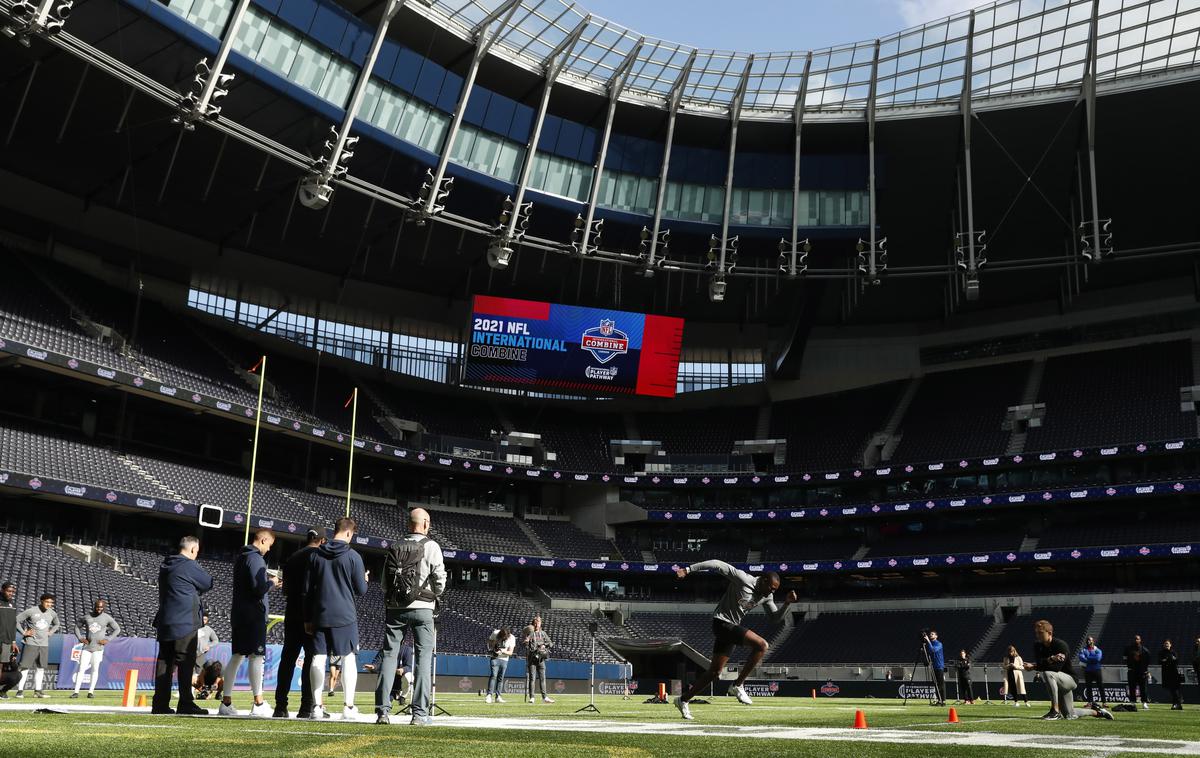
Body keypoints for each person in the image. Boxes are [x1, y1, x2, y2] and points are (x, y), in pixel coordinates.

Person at [671, 560, 795, 720]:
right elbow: (716, 564)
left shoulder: (767, 596)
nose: (771, 592)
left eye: (775, 590)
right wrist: (688, 569)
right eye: (771, 588)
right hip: (721, 623)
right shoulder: (743, 579)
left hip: (731, 628)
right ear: (764, 580)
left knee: (715, 672)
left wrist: (786, 604)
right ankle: (737, 685)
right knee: (762, 645)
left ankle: (682, 700)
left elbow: (774, 618)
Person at [374, 507, 446, 726]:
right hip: (423, 607)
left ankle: (383, 712)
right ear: (425, 523)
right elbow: (440, 583)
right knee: (423, 657)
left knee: (388, 656)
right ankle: (419, 714)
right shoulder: (432, 546)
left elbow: (385, 583)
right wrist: (433, 593)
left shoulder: (394, 546)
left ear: (408, 524)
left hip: (395, 608)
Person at [306, 517, 369, 721]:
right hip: (345, 615)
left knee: (318, 658)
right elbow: (361, 589)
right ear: (349, 533)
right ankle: (348, 706)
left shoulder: (315, 555)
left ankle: (316, 707)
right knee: (348, 658)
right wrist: (365, 579)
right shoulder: (353, 556)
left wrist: (308, 618)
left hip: (319, 613)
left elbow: (307, 590)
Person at [218, 529, 280, 717]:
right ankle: (259, 703)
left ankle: (226, 702)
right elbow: (258, 589)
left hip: (239, 614)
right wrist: (272, 583)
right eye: (269, 545)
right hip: (253, 615)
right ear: (262, 540)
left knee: (237, 656)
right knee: (256, 657)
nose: (269, 549)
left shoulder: (242, 557)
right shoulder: (255, 559)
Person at [151, 535, 214, 715]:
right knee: (186, 663)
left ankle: (160, 704)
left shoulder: (166, 564)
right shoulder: (189, 565)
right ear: (193, 550)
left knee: (165, 663)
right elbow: (208, 583)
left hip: (165, 621)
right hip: (184, 622)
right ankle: (185, 702)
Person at [274, 529, 324, 719]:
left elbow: (285, 589)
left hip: (292, 611)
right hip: (310, 612)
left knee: (287, 659)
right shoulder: (319, 556)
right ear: (322, 540)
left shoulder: (293, 557)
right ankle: (306, 707)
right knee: (310, 660)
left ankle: (280, 706)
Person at [1023, 619, 1112, 721]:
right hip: (1057, 680)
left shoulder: (1061, 645)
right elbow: (1040, 663)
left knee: (1048, 673)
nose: (1037, 635)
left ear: (1050, 633)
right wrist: (1049, 660)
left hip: (1069, 679)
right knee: (1070, 714)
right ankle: (1097, 712)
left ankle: (1055, 710)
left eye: (1040, 633)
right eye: (1036, 633)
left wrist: (1036, 666)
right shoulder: (1037, 645)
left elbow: (1056, 668)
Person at [71, 599, 122, 698]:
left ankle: (91, 692)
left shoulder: (107, 617)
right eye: (98, 607)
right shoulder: (87, 616)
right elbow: (77, 627)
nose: (99, 609)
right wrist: (80, 638)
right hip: (86, 647)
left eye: (101, 607)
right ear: (94, 606)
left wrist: (108, 639)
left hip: (98, 648)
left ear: (104, 607)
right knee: (81, 669)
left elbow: (117, 629)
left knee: (95, 670)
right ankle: (76, 692)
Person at [15, 592, 59, 698]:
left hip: (44, 644)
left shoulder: (52, 613)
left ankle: (38, 691)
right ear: (41, 601)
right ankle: (20, 691)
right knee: (25, 667)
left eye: (51, 602)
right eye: (47, 602)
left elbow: (57, 624)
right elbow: (16, 620)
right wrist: (23, 632)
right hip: (31, 643)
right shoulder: (31, 611)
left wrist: (51, 632)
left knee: (41, 668)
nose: (49, 604)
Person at [524, 615, 555, 705]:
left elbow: (551, 643)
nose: (537, 624)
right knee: (532, 678)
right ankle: (532, 697)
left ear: (541, 623)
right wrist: (526, 642)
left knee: (542, 678)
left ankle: (544, 697)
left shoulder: (543, 633)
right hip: (532, 658)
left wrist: (544, 645)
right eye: (536, 622)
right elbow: (525, 643)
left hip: (541, 659)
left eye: (539, 622)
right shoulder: (530, 633)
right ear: (533, 623)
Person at [485, 626, 515, 704]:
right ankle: (489, 695)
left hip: (504, 659)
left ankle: (498, 696)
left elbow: (510, 652)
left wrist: (502, 651)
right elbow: (489, 642)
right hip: (495, 657)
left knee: (500, 678)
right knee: (493, 676)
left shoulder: (512, 638)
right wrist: (493, 648)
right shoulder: (495, 633)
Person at [0, 582, 18, 699]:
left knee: (2, 665)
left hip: (7, 641)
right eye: (8, 591)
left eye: (12, 592)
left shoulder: (12, 604)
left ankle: (1, 692)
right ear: (2, 590)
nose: (10, 593)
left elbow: (13, 624)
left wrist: (13, 641)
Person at [1123, 634, 1150, 710]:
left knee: (1143, 688)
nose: (1136, 640)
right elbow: (1124, 658)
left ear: (1140, 640)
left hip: (1141, 672)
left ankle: (1144, 702)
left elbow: (1147, 661)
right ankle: (1132, 702)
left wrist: (1145, 670)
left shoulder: (1144, 650)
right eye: (1135, 639)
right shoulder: (1128, 649)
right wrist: (1130, 663)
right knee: (1132, 687)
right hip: (1132, 671)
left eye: (1137, 639)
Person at [1078, 636, 1105, 707]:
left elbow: (1098, 658)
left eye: (1090, 640)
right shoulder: (1083, 650)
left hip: (1096, 670)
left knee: (1100, 686)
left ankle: (1104, 702)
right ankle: (1089, 702)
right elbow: (1081, 658)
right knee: (1088, 687)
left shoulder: (1098, 650)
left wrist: (1087, 658)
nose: (1088, 641)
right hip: (1088, 671)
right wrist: (1092, 659)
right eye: (1087, 640)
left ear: (1093, 641)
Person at [923, 630, 947, 707]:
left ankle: (943, 700)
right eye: (930, 634)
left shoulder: (939, 644)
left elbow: (933, 650)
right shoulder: (930, 644)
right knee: (936, 684)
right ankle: (939, 700)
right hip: (933, 667)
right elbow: (929, 653)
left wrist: (928, 641)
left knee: (940, 684)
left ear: (936, 636)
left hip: (939, 666)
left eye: (932, 634)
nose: (931, 635)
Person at [1160, 639, 1183, 710]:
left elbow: (1177, 661)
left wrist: (1171, 659)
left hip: (1174, 673)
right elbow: (1160, 661)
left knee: (1174, 689)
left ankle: (1176, 703)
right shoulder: (1161, 653)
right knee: (1171, 689)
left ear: (1170, 645)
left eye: (1168, 643)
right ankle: (1178, 704)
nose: (1166, 645)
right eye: (1165, 644)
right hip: (1166, 673)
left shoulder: (1173, 652)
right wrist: (1167, 660)